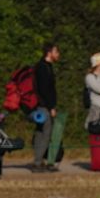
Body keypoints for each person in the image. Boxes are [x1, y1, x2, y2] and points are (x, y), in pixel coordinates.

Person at [31, 42, 66, 172]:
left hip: (41, 106)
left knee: (41, 132)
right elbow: (45, 90)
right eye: (56, 51)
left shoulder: (44, 66)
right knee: (46, 133)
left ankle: (38, 160)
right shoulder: (43, 68)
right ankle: (38, 162)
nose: (58, 54)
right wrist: (51, 107)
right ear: (49, 53)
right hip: (43, 106)